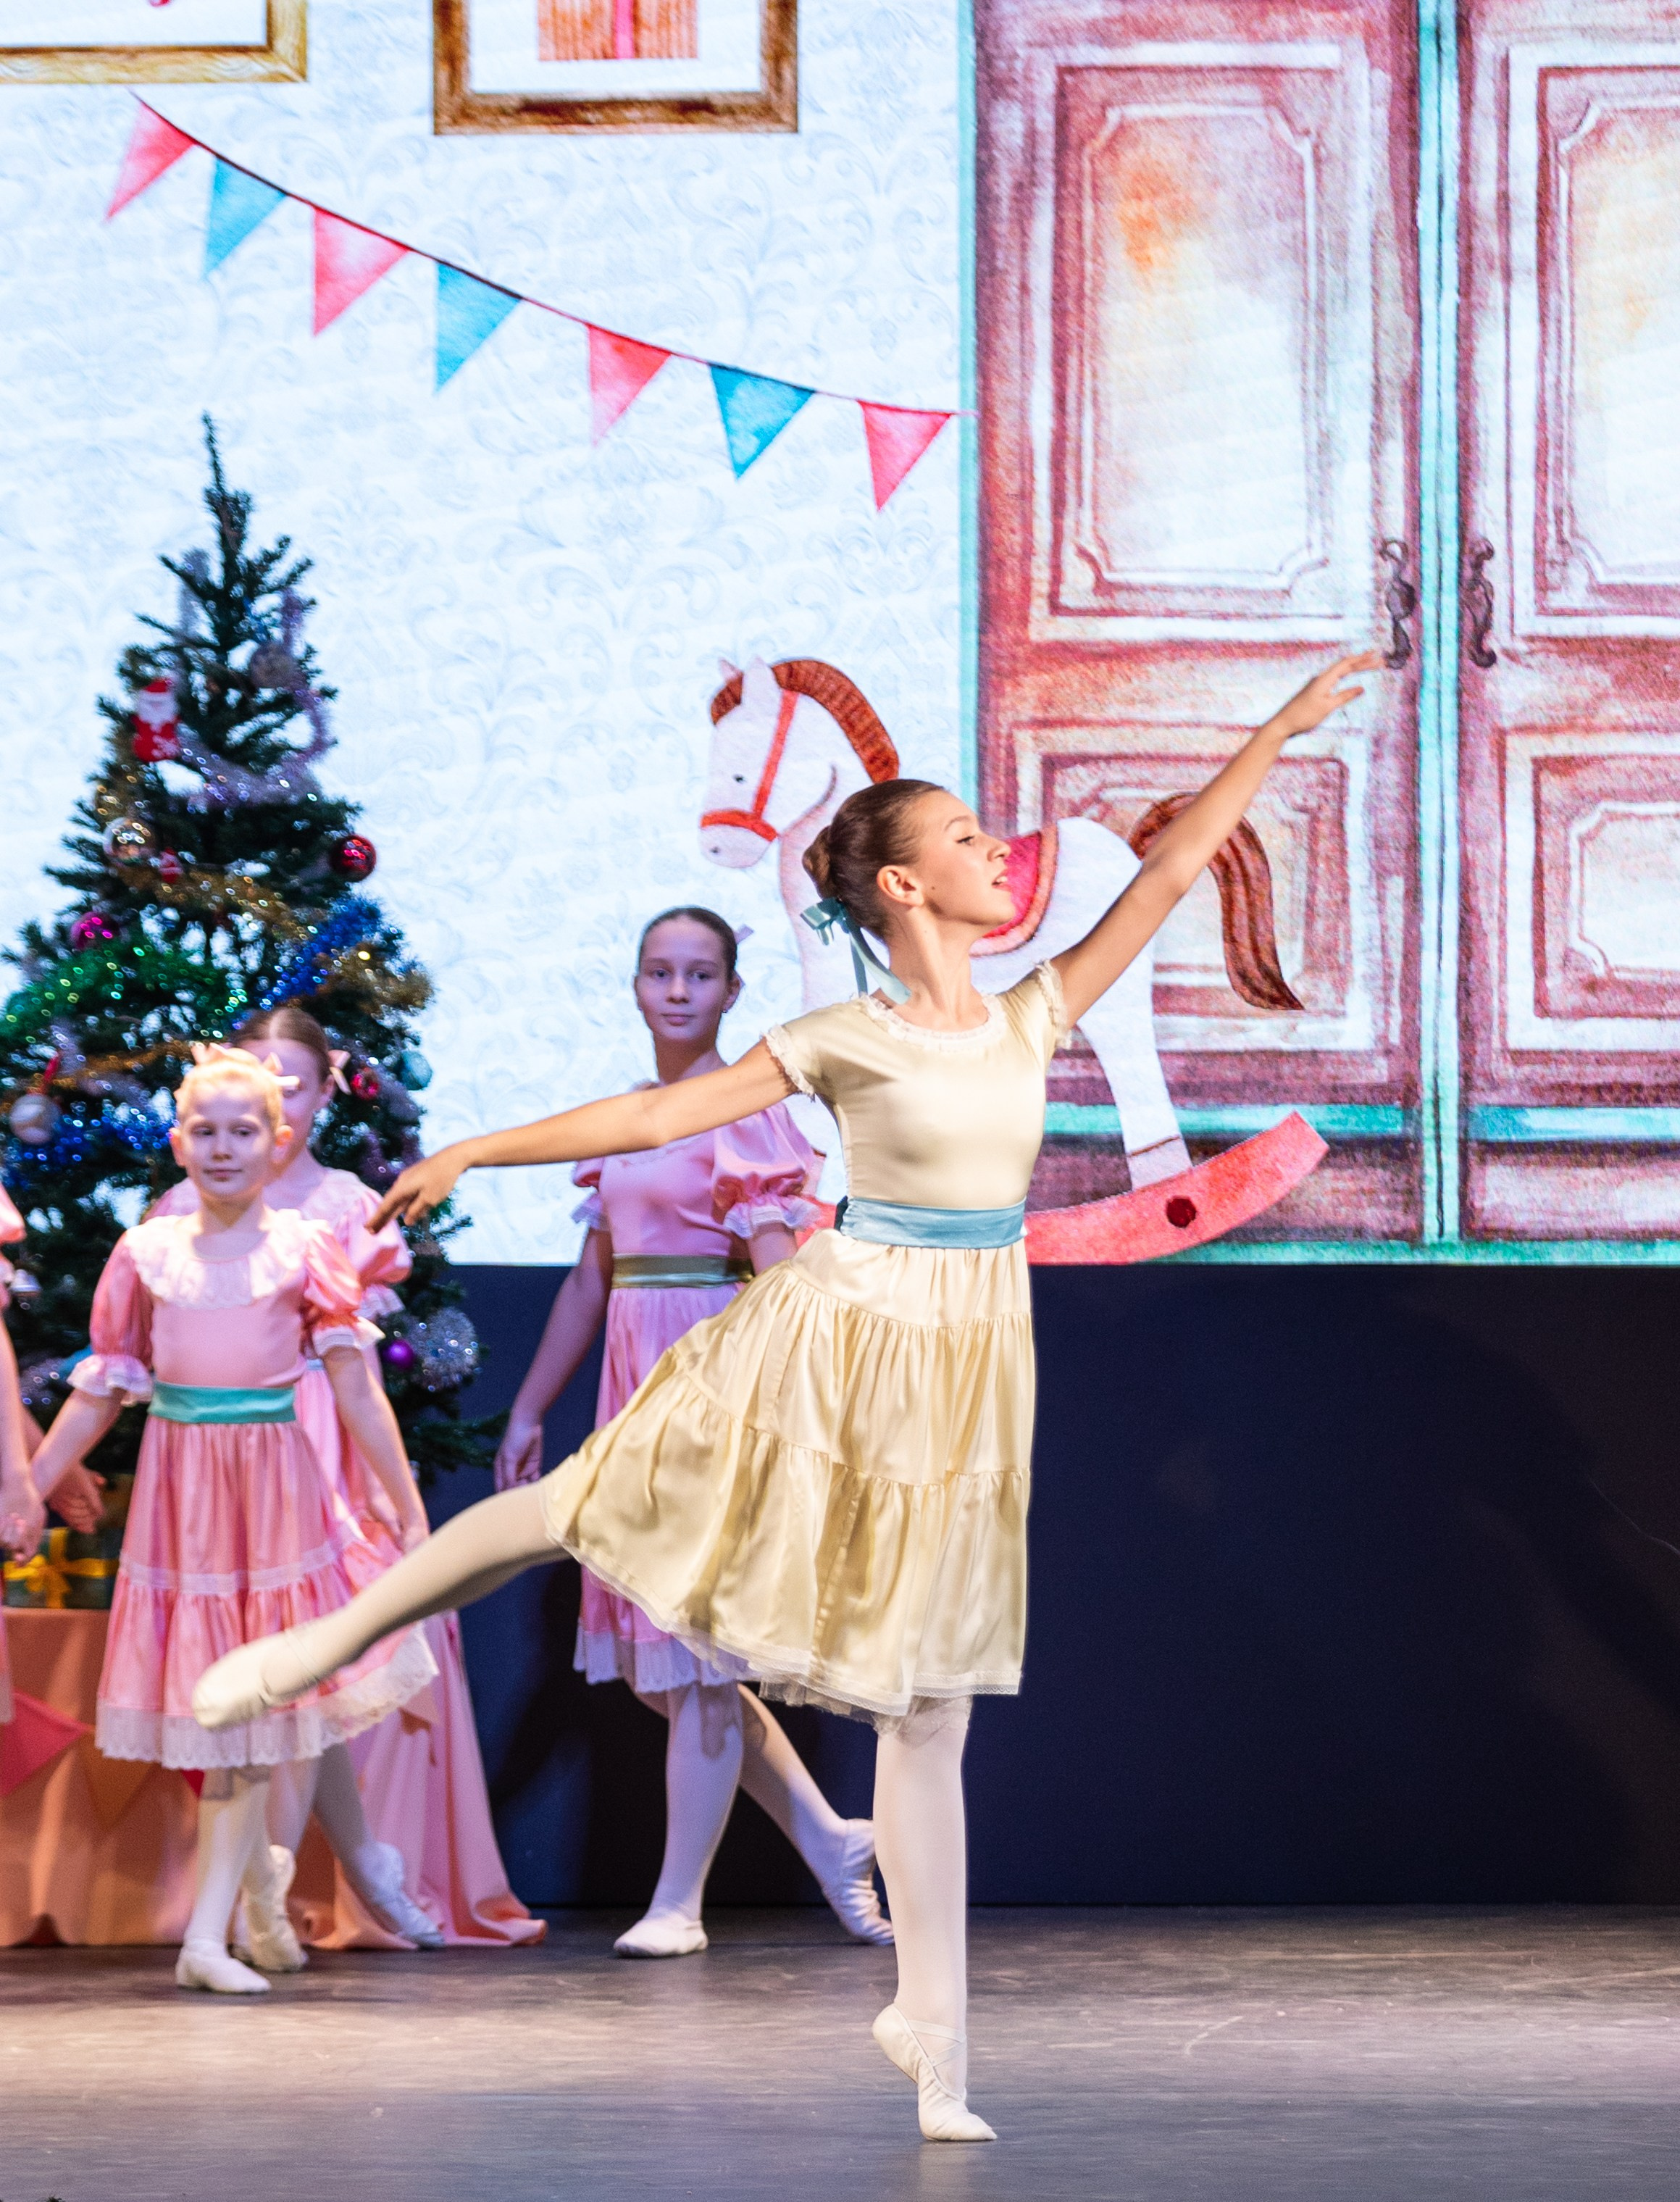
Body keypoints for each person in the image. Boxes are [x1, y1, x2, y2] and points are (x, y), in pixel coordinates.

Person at [193, 654, 1381, 2122]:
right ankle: (323, 1645)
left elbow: (1175, 858)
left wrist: (1276, 723)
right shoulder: (840, 1036)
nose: (987, 852)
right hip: (829, 1332)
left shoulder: (1029, 1009)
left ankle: (934, 2044)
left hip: (959, 1364)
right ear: (895, 888)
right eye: (955, 838)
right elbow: (654, 1108)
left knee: (930, 1708)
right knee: (575, 1507)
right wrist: (468, 1152)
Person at [496, 906, 889, 1956]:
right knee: (656, 1662)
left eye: (700, 974)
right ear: (634, 986)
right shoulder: (627, 1118)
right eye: (660, 972)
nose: (678, 990)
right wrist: (533, 1405)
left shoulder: (746, 1113)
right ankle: (826, 1831)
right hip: (632, 1382)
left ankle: (679, 1904)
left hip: (710, 1378)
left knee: (700, 1655)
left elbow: (775, 1269)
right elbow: (595, 1279)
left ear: (730, 992)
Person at [29, 1043, 435, 1993]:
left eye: (242, 1132)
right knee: (231, 1726)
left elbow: (360, 1392)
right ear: (178, 1142)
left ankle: (206, 1939)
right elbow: (105, 1385)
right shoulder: (147, 1254)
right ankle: (251, 1902)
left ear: (278, 1140)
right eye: (204, 1132)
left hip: (276, 1502)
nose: (221, 1149)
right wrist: (37, 1479)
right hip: (187, 1510)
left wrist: (406, 1509)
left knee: (255, 1721)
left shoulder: (303, 1253)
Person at [154, 1004, 539, 1956]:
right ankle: (295, 1883)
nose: (272, 1099)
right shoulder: (175, 1217)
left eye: (294, 1082)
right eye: (257, 1075)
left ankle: (330, 1876)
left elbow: (355, 1375)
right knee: (279, 1679)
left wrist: (391, 1497)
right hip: (224, 1470)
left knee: (319, 1670)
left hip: (321, 1455)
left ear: (322, 1096)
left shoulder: (337, 1211)